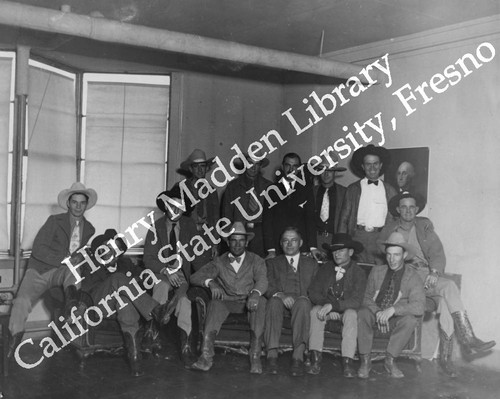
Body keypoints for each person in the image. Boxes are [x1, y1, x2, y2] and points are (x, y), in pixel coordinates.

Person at [379, 192, 496, 377]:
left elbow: (437, 252)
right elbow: (386, 259)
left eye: (412, 207)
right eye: (404, 207)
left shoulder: (423, 226)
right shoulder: (391, 230)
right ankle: (467, 337)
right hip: (406, 278)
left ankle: (446, 358)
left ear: (417, 209)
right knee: (449, 286)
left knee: (445, 301)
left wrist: (434, 272)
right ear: (397, 210)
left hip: (425, 275)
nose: (408, 210)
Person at [7, 182, 97, 359]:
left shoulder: (90, 229)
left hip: (63, 273)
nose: (78, 206)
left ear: (86, 205)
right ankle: (11, 345)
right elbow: (39, 249)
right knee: (21, 302)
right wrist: (65, 260)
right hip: (40, 270)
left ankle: (72, 307)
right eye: (74, 202)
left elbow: (78, 254)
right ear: (68, 203)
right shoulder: (54, 221)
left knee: (73, 271)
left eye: (82, 203)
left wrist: (81, 257)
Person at [80, 229, 170, 376]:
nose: (110, 251)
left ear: (119, 252)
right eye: (107, 247)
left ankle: (135, 358)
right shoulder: (91, 265)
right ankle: (155, 310)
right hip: (98, 305)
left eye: (115, 248)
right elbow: (85, 290)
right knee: (118, 278)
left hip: (117, 306)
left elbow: (143, 276)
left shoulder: (126, 263)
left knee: (125, 304)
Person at [189, 222, 268, 374]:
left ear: (247, 242)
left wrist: (255, 293)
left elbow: (262, 280)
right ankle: (206, 356)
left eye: (241, 240)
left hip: (248, 300)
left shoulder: (256, 260)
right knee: (214, 304)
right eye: (233, 240)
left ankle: (255, 356)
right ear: (227, 242)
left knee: (261, 302)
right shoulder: (220, 261)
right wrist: (210, 282)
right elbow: (194, 277)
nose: (237, 244)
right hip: (227, 301)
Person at [357, 231, 425, 379]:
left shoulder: (413, 277)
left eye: (396, 255)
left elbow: (419, 306)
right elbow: (366, 298)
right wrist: (378, 313)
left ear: (405, 255)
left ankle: (390, 360)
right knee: (362, 312)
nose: (392, 259)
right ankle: (365, 360)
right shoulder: (376, 271)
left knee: (411, 320)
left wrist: (393, 310)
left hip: (395, 319)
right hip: (375, 315)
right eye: (388, 254)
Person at [143, 186, 198, 366]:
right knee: (162, 286)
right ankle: (153, 334)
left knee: (185, 301)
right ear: (166, 206)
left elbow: (197, 254)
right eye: (173, 206)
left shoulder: (190, 226)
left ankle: (185, 346)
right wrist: (166, 270)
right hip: (162, 272)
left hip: (183, 274)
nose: (176, 211)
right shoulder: (155, 228)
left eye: (180, 207)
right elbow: (148, 258)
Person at [307, 233, 367, 377]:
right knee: (315, 311)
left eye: (341, 250)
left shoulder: (358, 273)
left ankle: (347, 363)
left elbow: (356, 301)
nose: (337, 254)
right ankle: (315, 359)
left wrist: (335, 306)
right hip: (326, 309)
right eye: (334, 251)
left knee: (352, 314)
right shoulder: (326, 268)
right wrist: (327, 305)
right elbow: (313, 292)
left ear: (351, 252)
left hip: (345, 310)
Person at [264, 227, 318, 376]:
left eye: (293, 240)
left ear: (300, 243)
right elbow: (266, 285)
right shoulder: (273, 263)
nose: (289, 244)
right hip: (281, 301)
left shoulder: (311, 264)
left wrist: (306, 297)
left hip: (302, 303)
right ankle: (272, 355)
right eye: (285, 241)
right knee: (274, 302)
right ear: (281, 244)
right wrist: (280, 295)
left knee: (302, 302)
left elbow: (316, 289)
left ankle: (298, 356)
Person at [339, 144, 397, 264]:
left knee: (377, 275)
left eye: (375, 163)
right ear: (363, 166)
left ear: (380, 165)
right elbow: (344, 219)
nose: (372, 167)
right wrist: (341, 244)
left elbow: (395, 220)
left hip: (381, 238)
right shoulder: (353, 189)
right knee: (357, 272)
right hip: (357, 237)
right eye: (368, 164)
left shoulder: (390, 190)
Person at [222, 154, 272, 257]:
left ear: (261, 166)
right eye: (250, 163)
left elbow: (273, 218)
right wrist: (228, 239)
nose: (253, 167)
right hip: (239, 234)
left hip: (262, 235)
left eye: (257, 164)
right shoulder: (233, 187)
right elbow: (226, 216)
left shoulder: (269, 187)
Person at [178, 149, 220, 269]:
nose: (200, 170)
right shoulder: (181, 188)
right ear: (191, 169)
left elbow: (215, 219)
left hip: (205, 237)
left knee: (203, 272)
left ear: (207, 168)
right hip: (185, 236)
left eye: (203, 166)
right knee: (184, 271)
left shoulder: (211, 191)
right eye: (196, 167)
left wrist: (215, 244)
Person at [263, 152, 310, 257]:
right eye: (288, 165)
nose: (291, 169)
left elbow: (309, 220)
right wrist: (271, 249)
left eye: (295, 166)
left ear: (299, 168)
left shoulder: (306, 190)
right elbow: (267, 222)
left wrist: (308, 247)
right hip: (277, 247)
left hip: (300, 247)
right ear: (282, 167)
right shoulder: (271, 190)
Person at [305, 157, 347, 262]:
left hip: (335, 238)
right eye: (323, 170)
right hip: (315, 239)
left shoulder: (344, 192)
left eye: (330, 171)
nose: (326, 174)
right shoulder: (311, 192)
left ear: (335, 173)